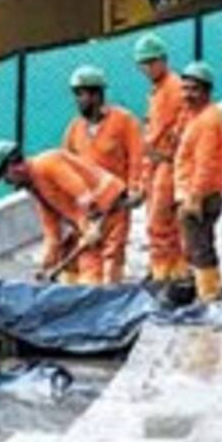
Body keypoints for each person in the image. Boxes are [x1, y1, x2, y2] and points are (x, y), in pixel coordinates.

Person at [0, 141, 128, 285]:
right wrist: (47, 265)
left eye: (6, 177)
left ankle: (106, 294)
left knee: (103, 262)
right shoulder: (36, 186)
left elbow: (83, 195)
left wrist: (90, 226)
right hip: (89, 219)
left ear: (13, 167)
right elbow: (52, 231)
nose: (8, 183)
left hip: (109, 207)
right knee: (70, 260)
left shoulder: (47, 164)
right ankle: (84, 294)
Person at [62, 65, 144, 283]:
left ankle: (111, 295)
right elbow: (65, 166)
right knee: (87, 253)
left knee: (113, 255)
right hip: (87, 206)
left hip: (116, 204)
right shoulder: (74, 129)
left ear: (97, 95)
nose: (79, 100)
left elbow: (137, 157)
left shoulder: (124, 121)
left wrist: (136, 188)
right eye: (77, 95)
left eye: (83, 94)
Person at [133, 32, 189, 285]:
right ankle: (174, 273)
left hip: (167, 162)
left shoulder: (172, 89)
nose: (146, 68)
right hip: (160, 164)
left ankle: (165, 275)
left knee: (160, 223)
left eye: (151, 62)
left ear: (162, 60)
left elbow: (163, 131)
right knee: (165, 224)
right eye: (143, 64)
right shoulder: (159, 91)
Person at [174, 62, 222, 303]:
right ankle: (207, 291)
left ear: (206, 91)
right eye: (184, 88)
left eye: (193, 89)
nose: (187, 94)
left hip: (201, 197)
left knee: (200, 247)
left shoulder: (208, 121)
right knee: (198, 245)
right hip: (196, 194)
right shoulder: (199, 118)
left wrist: (194, 197)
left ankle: (210, 296)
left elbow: (205, 164)